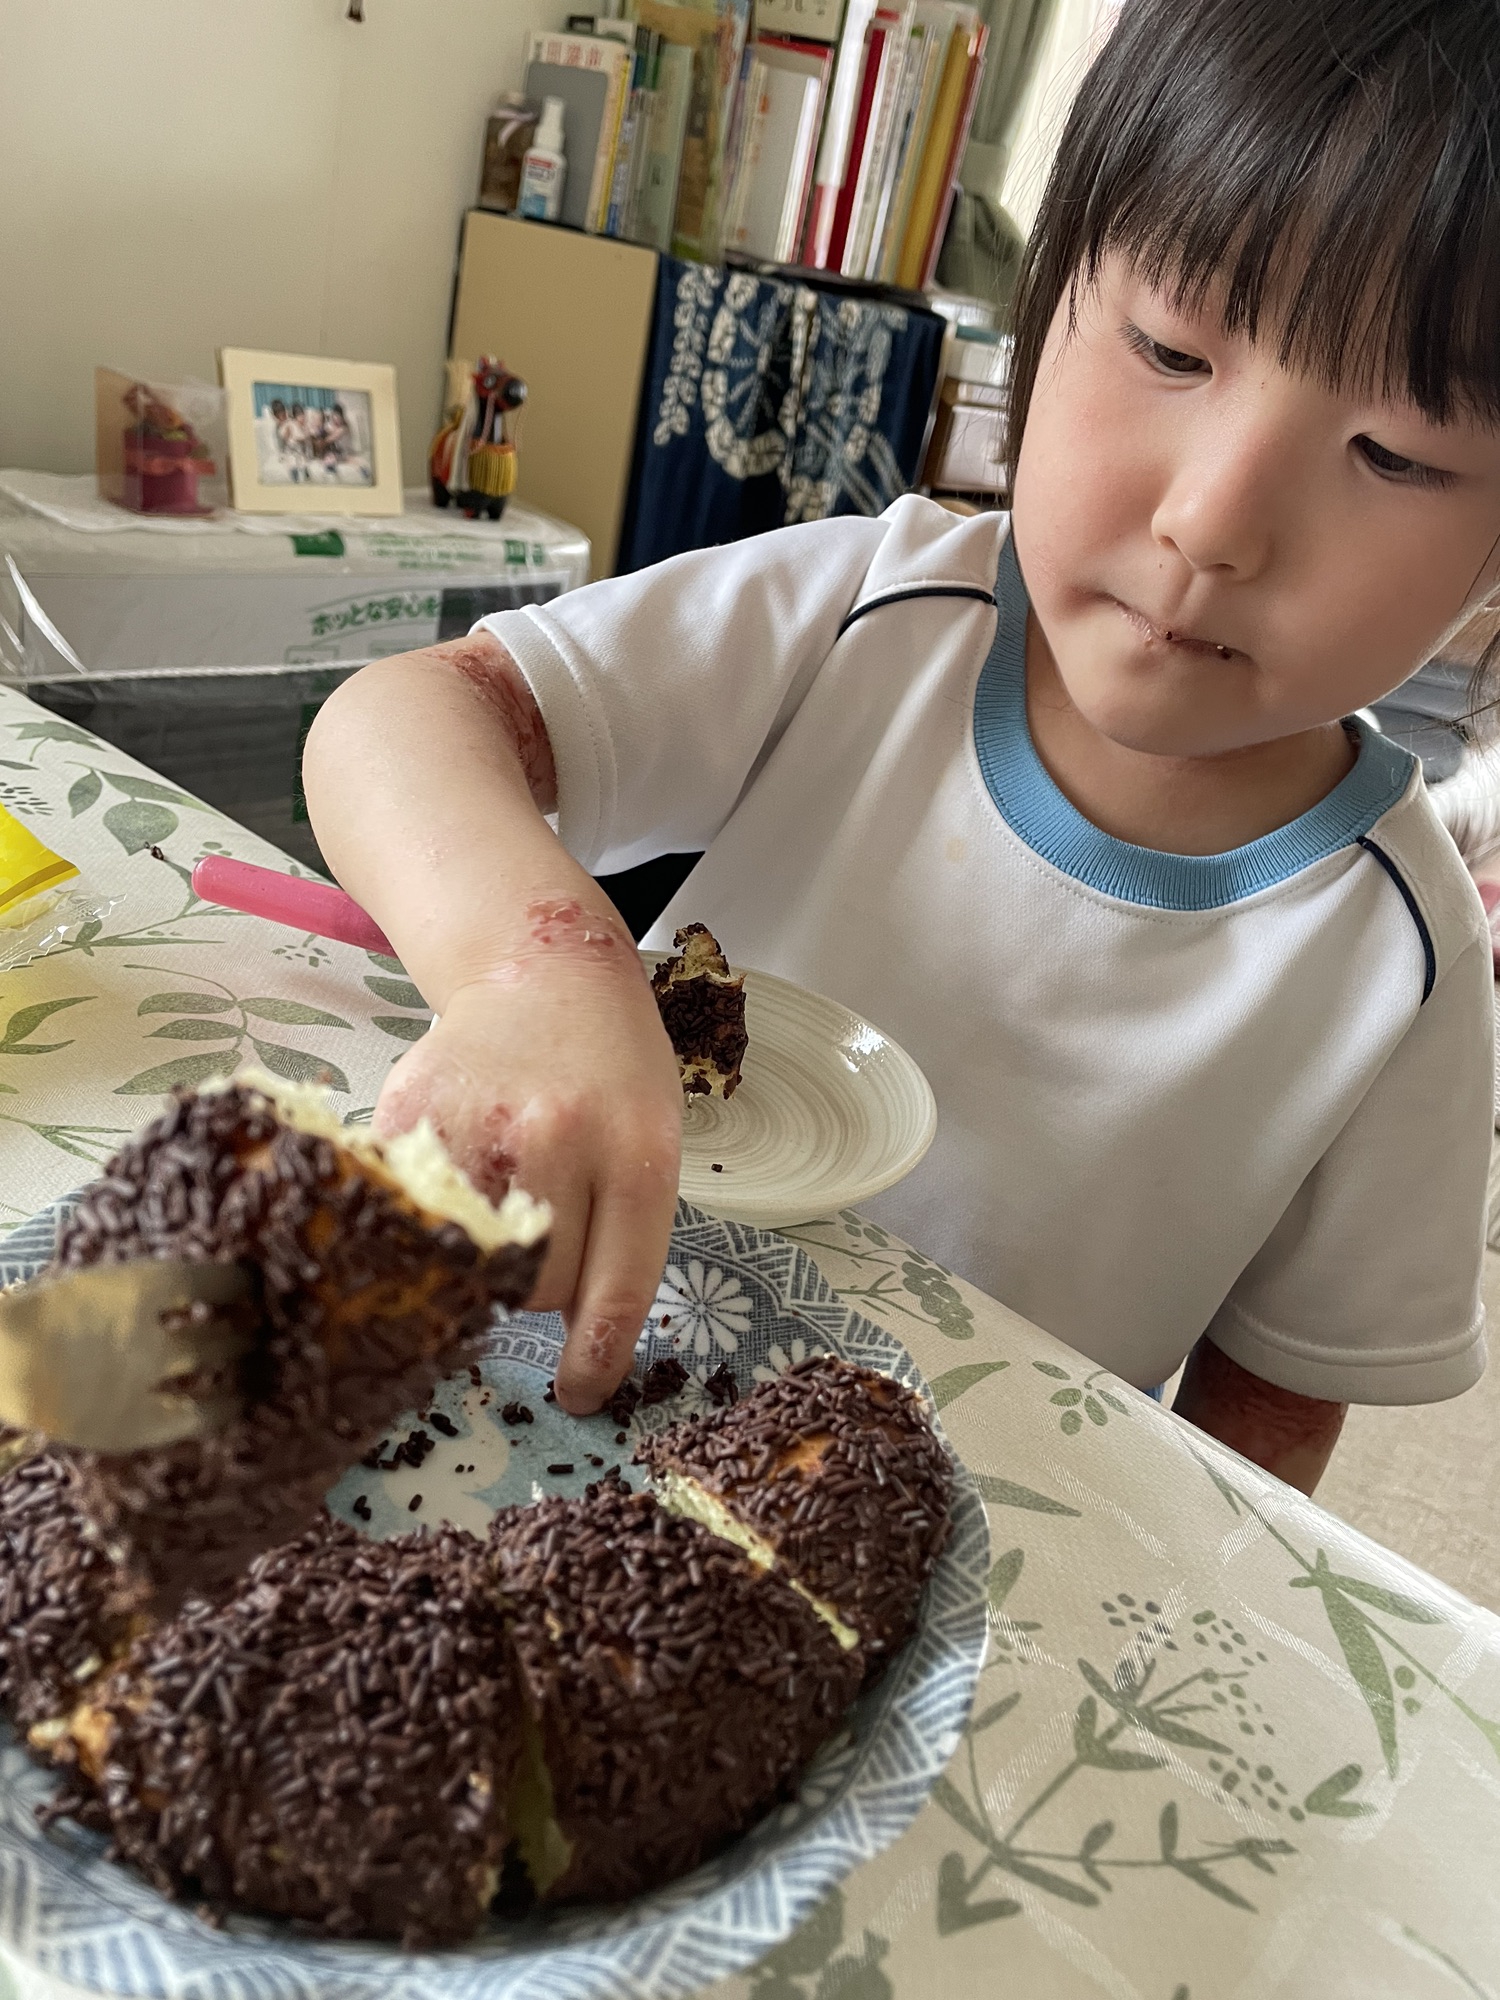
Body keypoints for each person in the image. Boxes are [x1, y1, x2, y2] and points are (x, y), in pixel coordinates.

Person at [304, 0, 1500, 1496]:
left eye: (1394, 454)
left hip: (938, 1572)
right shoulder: (875, 608)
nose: (1214, 521)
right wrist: (535, 966)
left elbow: (1264, 1444)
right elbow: (398, 719)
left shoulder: (1400, 962)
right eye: (1169, 348)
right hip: (533, 1403)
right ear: (1046, 305)